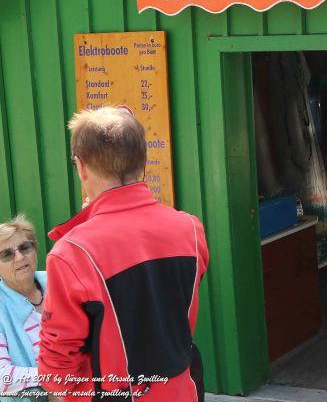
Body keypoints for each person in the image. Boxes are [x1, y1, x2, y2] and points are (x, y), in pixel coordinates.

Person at [39, 106, 210, 402]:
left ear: (81, 167)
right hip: (181, 389)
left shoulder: (72, 252)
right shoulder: (190, 229)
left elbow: (58, 366)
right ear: (143, 162)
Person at [0, 216, 47, 402]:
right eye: (6, 254)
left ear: (35, 249)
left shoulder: (58, 281)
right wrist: (56, 376)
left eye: (25, 247)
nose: (19, 257)